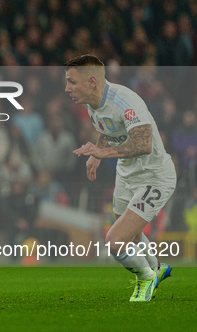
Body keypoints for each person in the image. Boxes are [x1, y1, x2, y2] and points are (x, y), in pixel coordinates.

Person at [65, 54, 176, 302]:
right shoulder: (90, 101)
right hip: (127, 173)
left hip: (154, 176)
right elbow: (109, 127)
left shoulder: (126, 101)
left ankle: (146, 277)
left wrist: (103, 153)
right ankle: (158, 268)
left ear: (92, 81)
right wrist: (97, 151)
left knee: (115, 241)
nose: (67, 88)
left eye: (72, 82)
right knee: (131, 234)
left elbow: (144, 143)